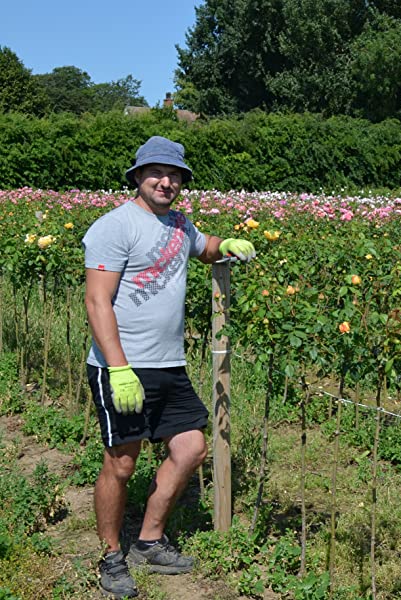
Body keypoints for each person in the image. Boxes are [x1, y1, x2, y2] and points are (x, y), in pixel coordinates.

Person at [84, 136, 256, 599]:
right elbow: (97, 300)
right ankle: (110, 555)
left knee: (190, 448)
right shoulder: (114, 226)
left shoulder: (180, 225)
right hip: (122, 366)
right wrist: (118, 368)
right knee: (121, 465)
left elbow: (204, 248)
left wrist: (227, 245)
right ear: (138, 177)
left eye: (175, 175)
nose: (167, 181)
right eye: (158, 173)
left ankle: (149, 539)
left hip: (169, 365)